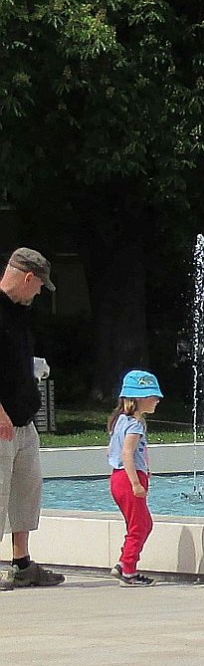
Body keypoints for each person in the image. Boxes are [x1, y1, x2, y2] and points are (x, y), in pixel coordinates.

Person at [0, 247, 62, 590]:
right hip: (2, 421)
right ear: (27, 278)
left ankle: (22, 563)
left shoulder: (20, 312)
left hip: (23, 421)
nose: (39, 293)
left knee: (26, 491)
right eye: (39, 286)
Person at [106, 370, 162, 585]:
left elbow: (113, 451)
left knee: (142, 523)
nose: (157, 400)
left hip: (118, 478)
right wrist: (136, 483)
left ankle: (124, 563)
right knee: (139, 526)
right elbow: (127, 453)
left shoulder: (120, 421)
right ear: (139, 398)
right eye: (153, 396)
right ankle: (127, 569)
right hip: (129, 479)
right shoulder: (134, 425)